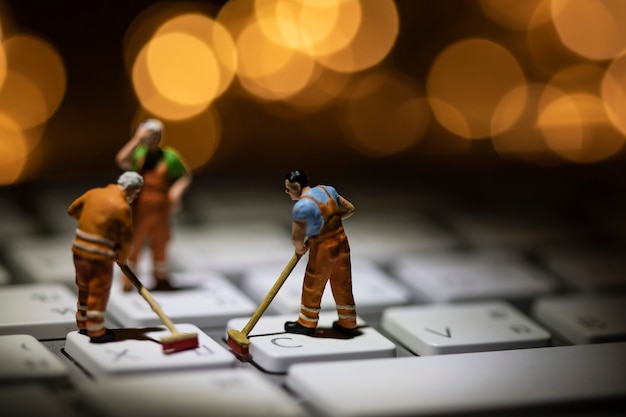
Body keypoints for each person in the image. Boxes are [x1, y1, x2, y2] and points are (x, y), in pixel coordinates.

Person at [115, 118, 192, 291]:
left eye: (156, 135)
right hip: (140, 209)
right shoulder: (138, 153)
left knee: (161, 243)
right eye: (150, 135)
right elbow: (121, 160)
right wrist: (137, 139)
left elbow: (185, 175)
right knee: (135, 243)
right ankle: (128, 280)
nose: (153, 138)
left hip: (161, 209)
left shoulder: (170, 156)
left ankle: (161, 278)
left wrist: (176, 192)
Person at [68, 171, 144, 343]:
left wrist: (91, 223)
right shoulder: (122, 207)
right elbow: (125, 238)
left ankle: (82, 323)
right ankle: (95, 331)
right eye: (136, 192)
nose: (135, 196)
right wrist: (122, 257)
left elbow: (72, 210)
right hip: (99, 257)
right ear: (131, 189)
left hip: (79, 252)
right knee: (98, 291)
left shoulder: (93, 193)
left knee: (84, 287)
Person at [283, 170, 358, 336]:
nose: (287, 192)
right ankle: (348, 322)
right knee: (343, 284)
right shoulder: (328, 190)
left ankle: (306, 322)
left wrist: (300, 248)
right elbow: (350, 209)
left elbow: (297, 237)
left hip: (323, 250)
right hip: (342, 244)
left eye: (288, 189)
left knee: (313, 284)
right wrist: (333, 222)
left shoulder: (302, 206)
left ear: (296, 186)